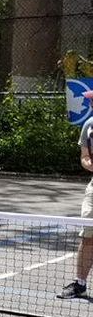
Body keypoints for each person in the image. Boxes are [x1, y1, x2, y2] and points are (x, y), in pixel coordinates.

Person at [59, 108, 93, 298]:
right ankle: (80, 285)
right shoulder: (88, 126)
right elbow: (84, 156)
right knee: (89, 234)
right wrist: (88, 163)